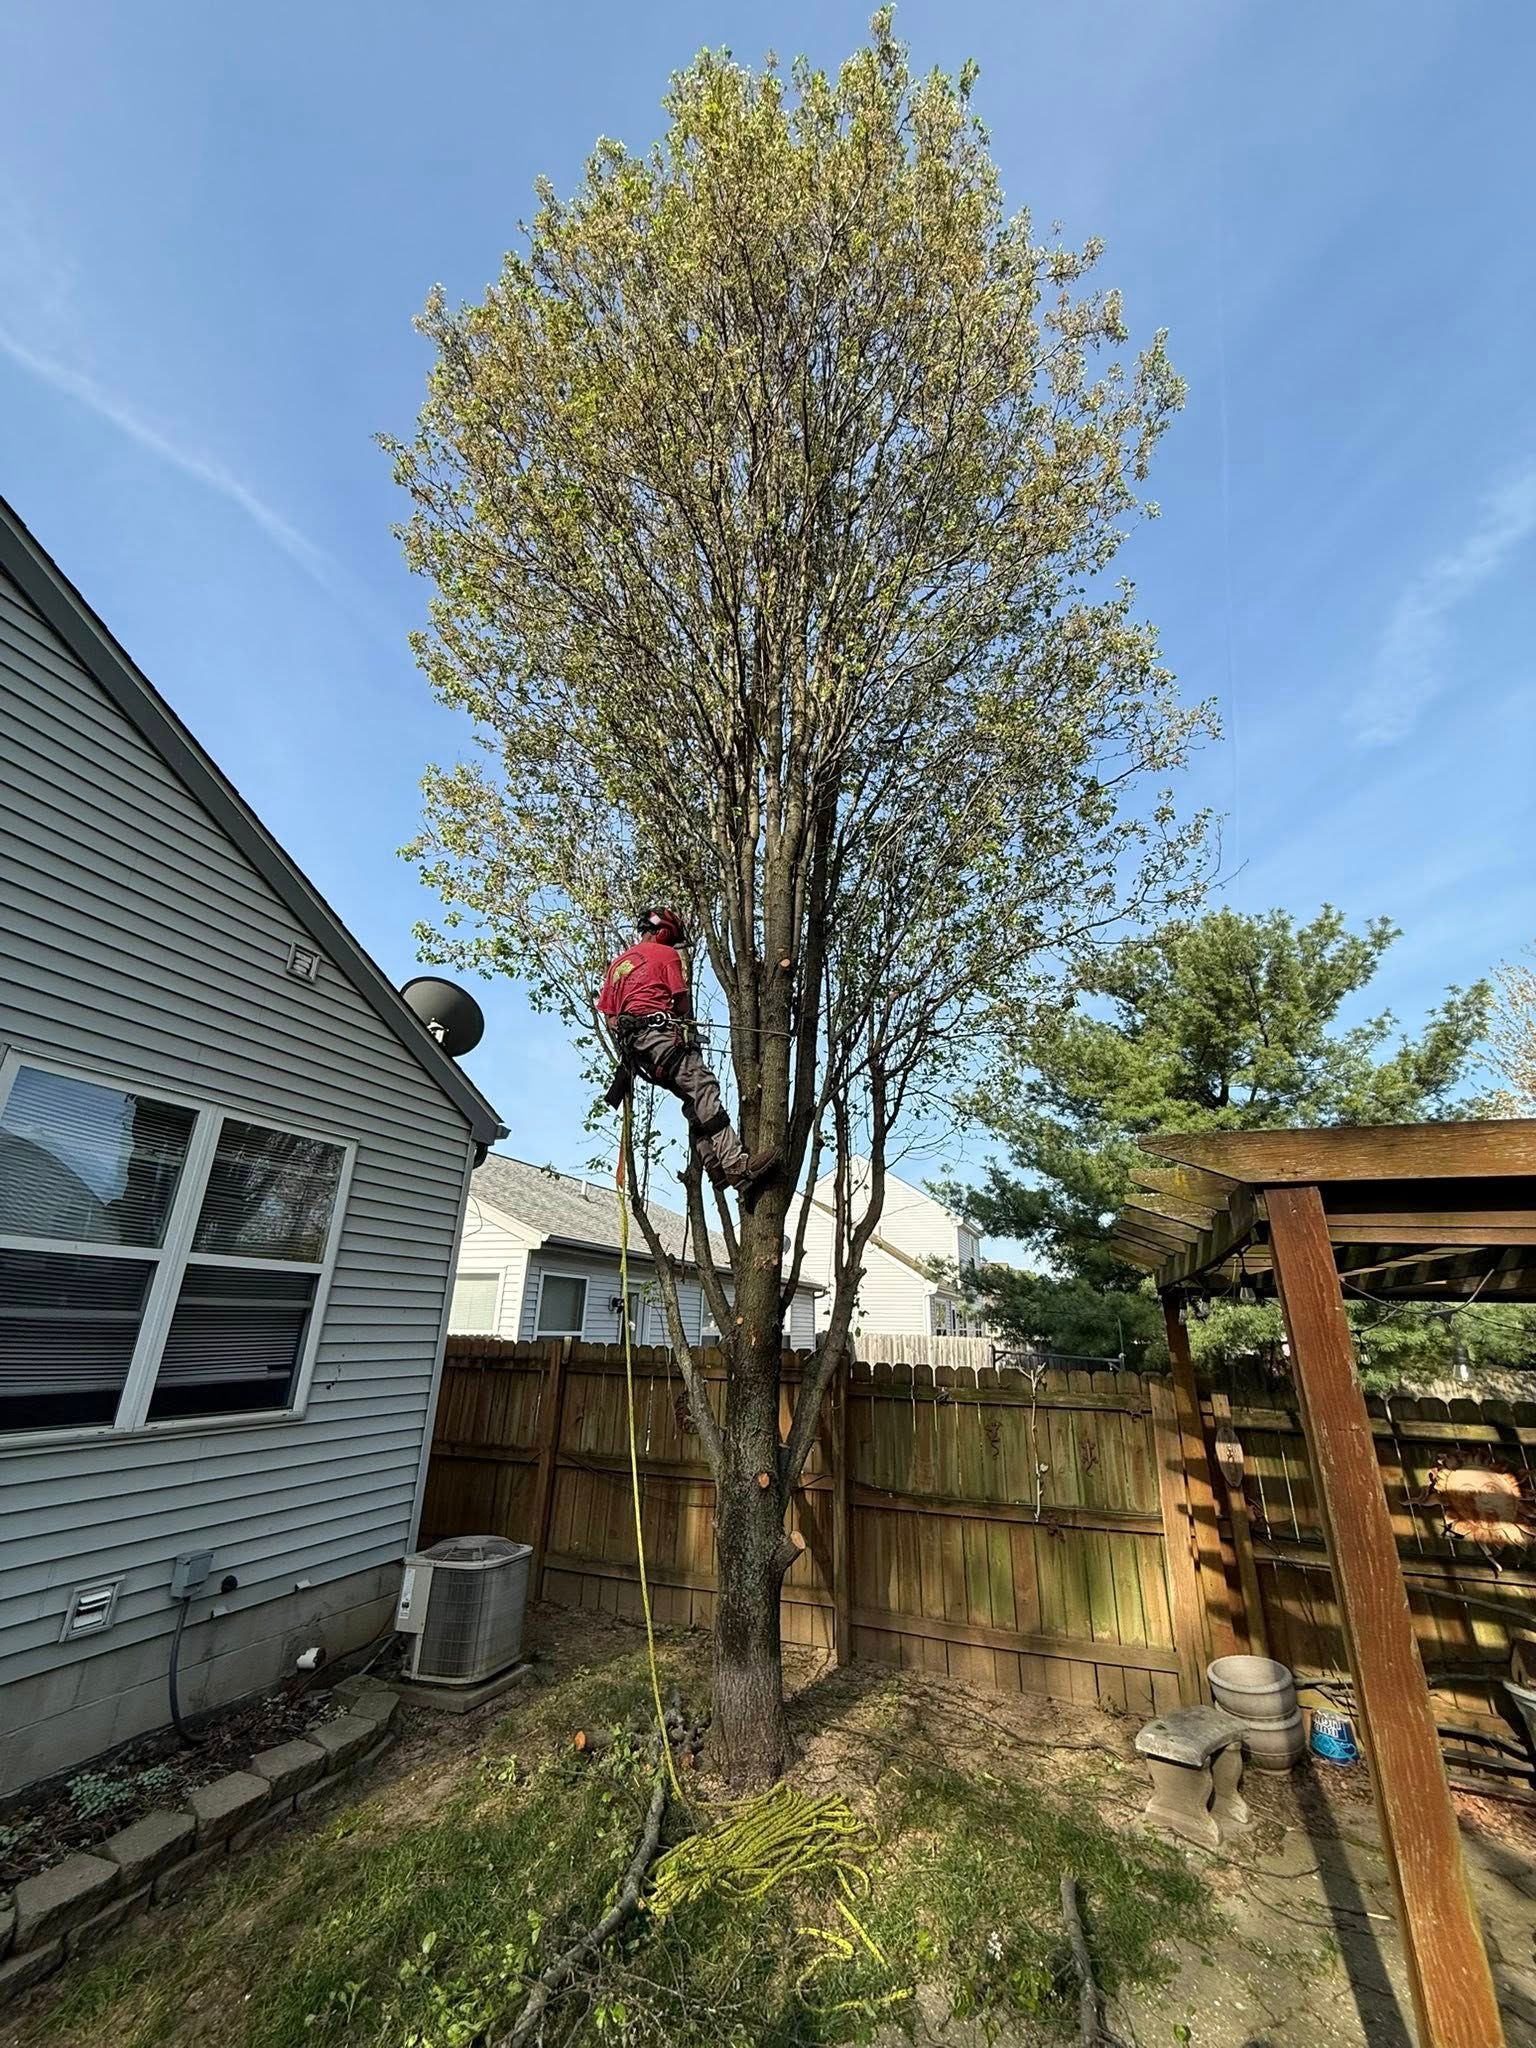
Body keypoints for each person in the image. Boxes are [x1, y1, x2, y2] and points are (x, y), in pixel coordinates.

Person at [598, 907, 777, 1194]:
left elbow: (609, 1017)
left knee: (692, 1098)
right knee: (704, 1088)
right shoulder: (666, 954)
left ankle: (714, 1166)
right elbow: (681, 1003)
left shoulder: (618, 964)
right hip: (658, 1037)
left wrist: (634, 1034)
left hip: (637, 1051)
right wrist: (668, 1022)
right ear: (665, 931)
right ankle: (736, 1166)